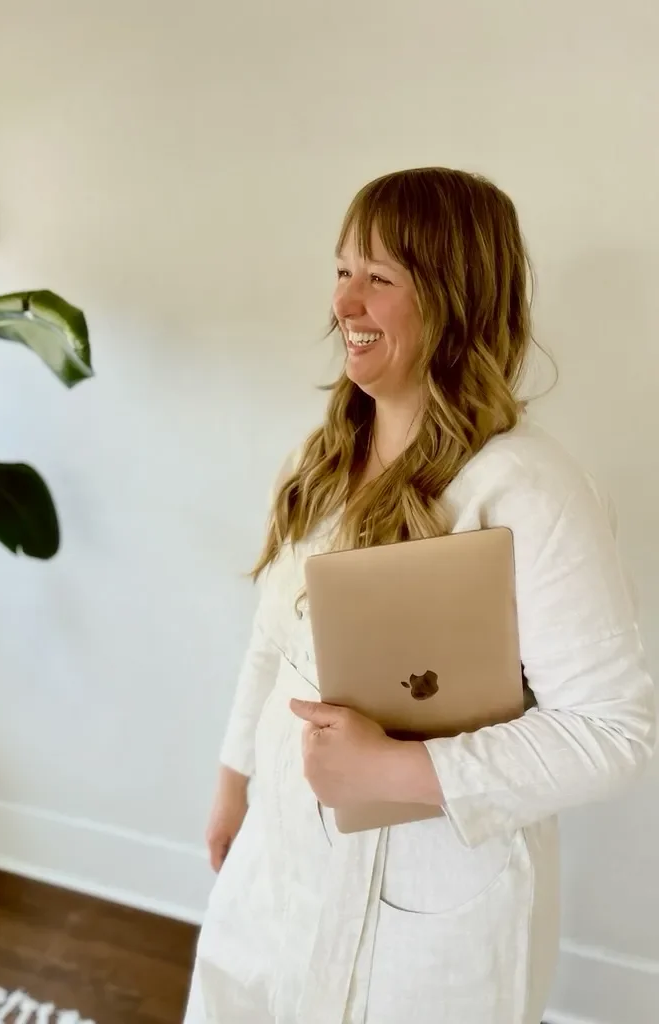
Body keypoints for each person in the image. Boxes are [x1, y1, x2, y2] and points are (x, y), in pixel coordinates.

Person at [183, 167, 656, 1023]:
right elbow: (271, 642)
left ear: (456, 299)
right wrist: (233, 783)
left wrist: (395, 768)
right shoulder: (320, 460)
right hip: (280, 864)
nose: (345, 304)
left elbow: (614, 733)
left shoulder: (528, 491)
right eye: (341, 270)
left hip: (429, 910)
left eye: (380, 278)